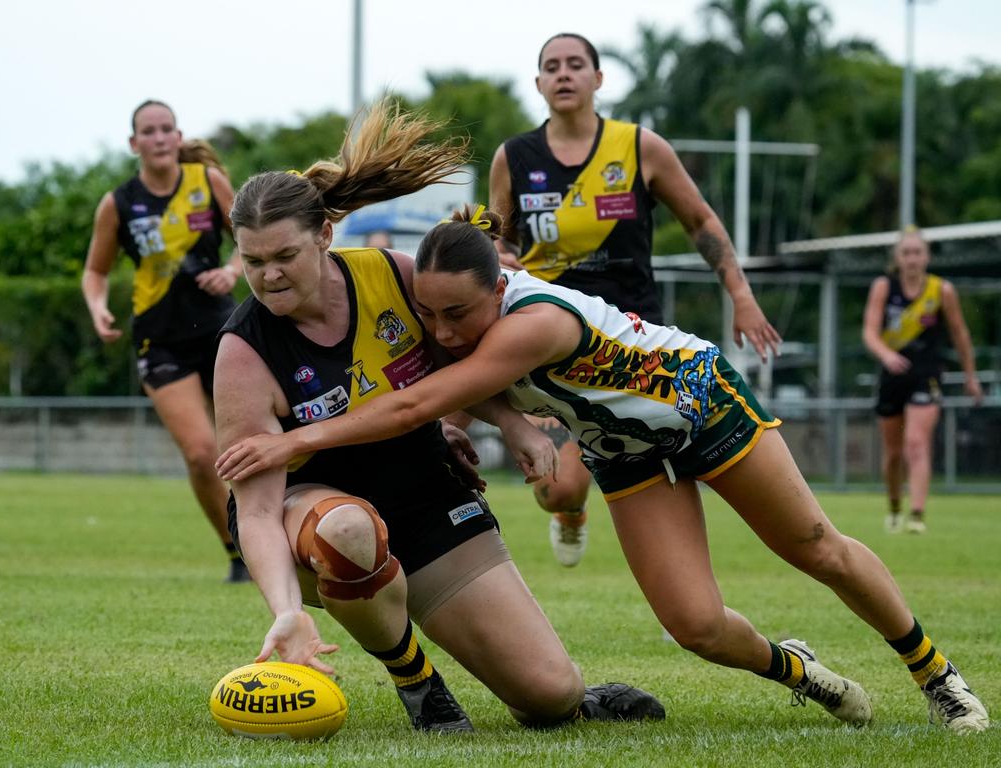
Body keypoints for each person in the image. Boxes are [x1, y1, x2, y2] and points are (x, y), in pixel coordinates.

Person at [218, 206, 991, 734]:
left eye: (459, 315)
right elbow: (437, 387)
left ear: (500, 286)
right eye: (430, 314)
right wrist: (510, 428)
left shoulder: (535, 324)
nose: (442, 331)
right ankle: (801, 672)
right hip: (624, 451)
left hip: (697, 403)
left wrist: (288, 445)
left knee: (813, 544)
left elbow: (413, 403)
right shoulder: (451, 315)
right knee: (694, 627)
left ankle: (936, 676)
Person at [212, 100, 664, 733]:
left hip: (419, 488)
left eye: (283, 255)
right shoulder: (243, 352)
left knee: (550, 697)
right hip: (308, 514)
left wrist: (510, 423)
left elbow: (451, 368)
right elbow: (255, 509)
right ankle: (416, 682)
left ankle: (574, 694)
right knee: (349, 530)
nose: (268, 275)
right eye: (253, 261)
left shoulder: (393, 278)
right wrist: (286, 609)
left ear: (323, 236)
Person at [488, 32, 781, 566]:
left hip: (628, 341)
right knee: (560, 490)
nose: (563, 74)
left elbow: (700, 221)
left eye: (576, 64)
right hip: (551, 343)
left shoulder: (639, 147)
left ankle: (693, 600)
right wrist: (499, 255)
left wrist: (741, 295)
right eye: (551, 66)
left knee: (674, 457)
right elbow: (498, 241)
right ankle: (571, 512)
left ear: (598, 79)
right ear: (538, 83)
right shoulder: (513, 158)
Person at [81, 100, 247, 582]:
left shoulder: (207, 183)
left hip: (222, 332)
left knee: (248, 445)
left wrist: (230, 270)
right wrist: (97, 307)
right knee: (200, 453)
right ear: (134, 144)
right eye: (148, 131)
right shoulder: (118, 203)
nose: (158, 138)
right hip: (160, 340)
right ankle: (237, 554)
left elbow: (247, 240)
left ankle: (275, 538)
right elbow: (95, 270)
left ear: (178, 138)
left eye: (166, 129)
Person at [862, 228, 983, 534]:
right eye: (907, 253)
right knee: (893, 454)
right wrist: (886, 355)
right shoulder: (883, 287)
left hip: (926, 376)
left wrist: (971, 376)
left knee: (916, 442)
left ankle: (917, 515)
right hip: (892, 376)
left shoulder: (941, 291)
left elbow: (960, 334)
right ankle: (893, 506)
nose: (913, 259)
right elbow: (869, 333)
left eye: (918, 253)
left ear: (927, 257)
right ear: (898, 258)